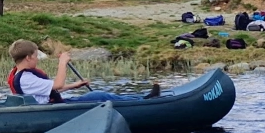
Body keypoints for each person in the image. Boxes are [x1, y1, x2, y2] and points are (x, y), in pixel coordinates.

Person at [9, 39, 156, 104]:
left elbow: (49, 90)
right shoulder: (25, 78)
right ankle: (143, 101)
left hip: (54, 104)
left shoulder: (21, 75)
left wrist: (75, 85)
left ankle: (141, 98)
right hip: (53, 109)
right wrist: (62, 63)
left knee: (97, 95)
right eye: (35, 56)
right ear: (28, 57)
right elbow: (58, 85)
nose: (37, 59)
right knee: (99, 96)